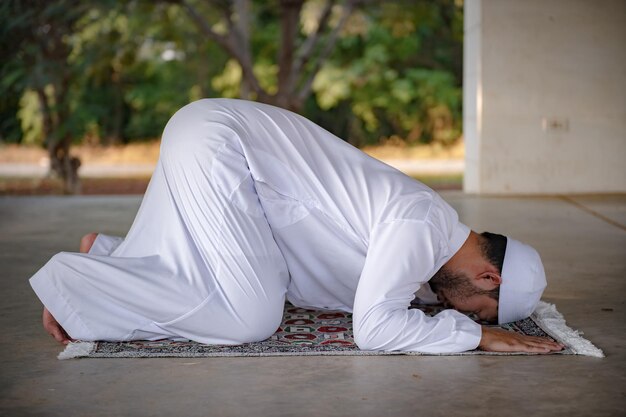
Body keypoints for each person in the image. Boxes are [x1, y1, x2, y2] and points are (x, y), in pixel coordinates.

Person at [31, 98, 563, 354]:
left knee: (240, 285)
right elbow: (373, 329)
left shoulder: (432, 250)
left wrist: (455, 321)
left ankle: (112, 255)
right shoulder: (422, 225)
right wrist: (475, 338)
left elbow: (384, 301)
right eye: (480, 311)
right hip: (221, 145)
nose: (460, 312)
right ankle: (79, 284)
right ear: (488, 279)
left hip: (220, 145)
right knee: (249, 317)